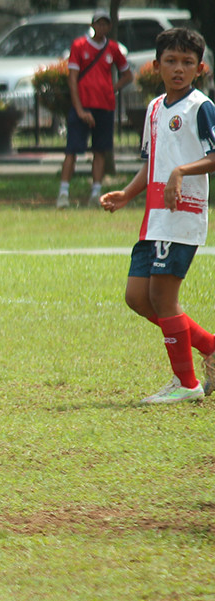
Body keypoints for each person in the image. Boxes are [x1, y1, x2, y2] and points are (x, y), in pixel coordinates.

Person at [101, 27, 215, 404]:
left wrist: (181, 172)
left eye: (186, 62)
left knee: (164, 299)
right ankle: (209, 345)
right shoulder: (154, 108)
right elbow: (153, 162)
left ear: (200, 68)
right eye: (171, 61)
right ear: (156, 66)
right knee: (137, 297)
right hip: (154, 218)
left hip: (181, 216)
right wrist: (127, 194)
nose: (178, 69)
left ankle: (186, 383)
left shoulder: (200, 107)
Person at [57, 9, 133, 209]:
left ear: (109, 26)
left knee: (100, 151)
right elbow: (72, 78)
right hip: (82, 106)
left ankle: (96, 194)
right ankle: (63, 194)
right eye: (98, 23)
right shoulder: (79, 46)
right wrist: (80, 109)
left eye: (105, 24)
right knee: (72, 150)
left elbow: (127, 75)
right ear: (93, 25)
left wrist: (111, 89)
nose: (101, 27)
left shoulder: (113, 48)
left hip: (104, 107)